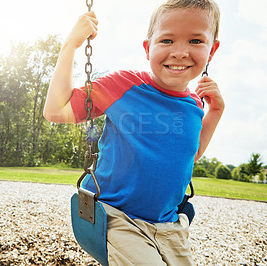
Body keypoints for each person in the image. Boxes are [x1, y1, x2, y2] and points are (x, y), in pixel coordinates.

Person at [43, 0, 224, 264]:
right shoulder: (124, 86)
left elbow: (190, 154)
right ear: (148, 48)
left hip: (170, 227)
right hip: (117, 217)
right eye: (167, 41)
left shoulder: (196, 104)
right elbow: (55, 110)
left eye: (196, 41)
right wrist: (70, 45)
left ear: (212, 50)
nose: (180, 52)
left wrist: (215, 112)